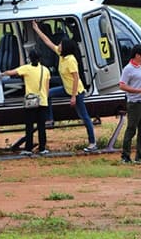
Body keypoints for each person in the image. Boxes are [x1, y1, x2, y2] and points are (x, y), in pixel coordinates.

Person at [32, 21, 98, 153]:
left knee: (84, 116)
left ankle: (92, 142)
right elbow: (48, 42)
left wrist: (73, 96)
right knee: (48, 94)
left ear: (66, 47)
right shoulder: (61, 55)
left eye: (61, 44)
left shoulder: (70, 60)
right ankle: (50, 119)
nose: (59, 45)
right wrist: (36, 29)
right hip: (67, 88)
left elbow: (76, 79)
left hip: (76, 91)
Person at [1, 49, 50, 156]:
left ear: (30, 58)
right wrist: (44, 97)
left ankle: (28, 149)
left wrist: (1, 74)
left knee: (29, 126)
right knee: (41, 127)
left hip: (31, 101)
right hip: (43, 101)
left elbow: (12, 72)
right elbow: (47, 88)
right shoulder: (45, 70)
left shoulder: (26, 68)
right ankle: (42, 148)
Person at [118, 44, 141, 164]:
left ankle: (140, 155)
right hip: (134, 103)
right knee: (131, 129)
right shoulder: (128, 69)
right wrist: (139, 91)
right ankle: (125, 156)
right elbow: (122, 85)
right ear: (137, 55)